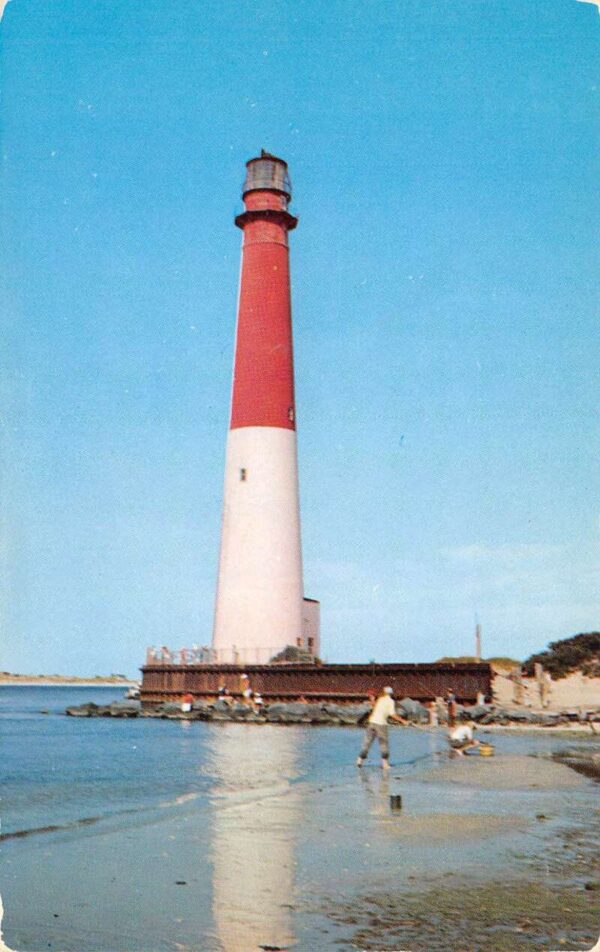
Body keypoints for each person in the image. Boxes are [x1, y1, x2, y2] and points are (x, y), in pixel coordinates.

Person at [356, 686, 407, 770]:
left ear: (384, 692)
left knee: (367, 742)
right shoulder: (390, 701)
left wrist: (372, 699)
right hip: (381, 724)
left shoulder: (380, 699)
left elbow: (373, 706)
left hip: (372, 722)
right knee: (383, 744)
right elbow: (392, 714)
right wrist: (403, 721)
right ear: (391, 693)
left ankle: (359, 761)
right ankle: (385, 765)